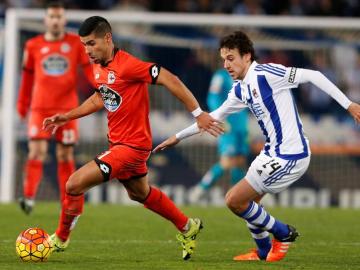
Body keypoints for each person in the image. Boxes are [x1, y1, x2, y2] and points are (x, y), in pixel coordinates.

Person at [153, 31, 360, 262]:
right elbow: (211, 118)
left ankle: (283, 233)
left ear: (247, 56)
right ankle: (262, 252)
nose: (226, 65)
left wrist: (349, 104)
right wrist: (177, 137)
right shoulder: (240, 89)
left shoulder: (266, 73)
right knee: (250, 205)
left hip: (291, 155)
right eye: (223, 59)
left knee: (234, 200)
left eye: (231, 58)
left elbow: (314, 75)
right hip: (272, 152)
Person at [43, 16, 223, 260]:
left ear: (108, 38)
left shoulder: (129, 65)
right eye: (84, 45)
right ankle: (187, 226)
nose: (88, 51)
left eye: (92, 44)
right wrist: (67, 116)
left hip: (131, 147)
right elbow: (100, 97)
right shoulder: (98, 67)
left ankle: (61, 239)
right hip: (120, 144)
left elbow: (171, 79)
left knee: (73, 184)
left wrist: (198, 113)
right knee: (139, 193)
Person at [16, 1, 95, 214]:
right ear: (45, 20)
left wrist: (101, 88)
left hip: (67, 109)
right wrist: (22, 104)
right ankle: (29, 196)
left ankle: (66, 199)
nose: (55, 21)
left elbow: (88, 71)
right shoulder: (33, 45)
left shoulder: (75, 44)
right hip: (40, 108)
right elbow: (27, 77)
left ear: (64, 20)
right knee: (37, 151)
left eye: (59, 17)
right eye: (51, 17)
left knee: (65, 155)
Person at [189, 68, 249, 204]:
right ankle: (200, 190)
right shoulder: (220, 76)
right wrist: (221, 119)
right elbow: (212, 97)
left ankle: (237, 197)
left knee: (239, 162)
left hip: (241, 125)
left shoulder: (244, 77)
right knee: (227, 162)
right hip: (228, 125)